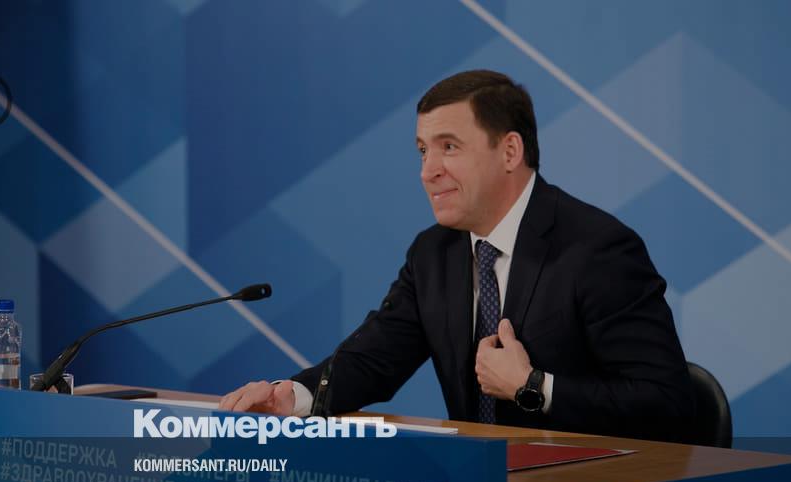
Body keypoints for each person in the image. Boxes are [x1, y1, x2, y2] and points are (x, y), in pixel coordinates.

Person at [220, 70, 694, 442]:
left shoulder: (596, 249)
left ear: (510, 151)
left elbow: (668, 403)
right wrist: (294, 397)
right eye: (422, 151)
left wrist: (534, 386)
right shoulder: (434, 253)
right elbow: (374, 358)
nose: (428, 171)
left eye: (448, 147)